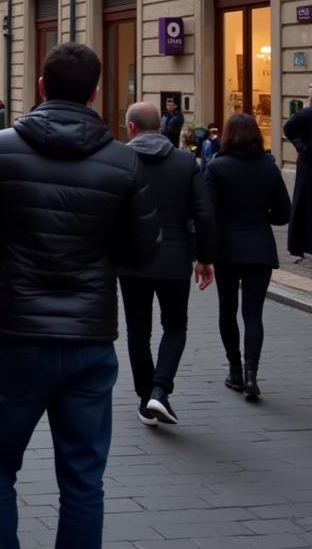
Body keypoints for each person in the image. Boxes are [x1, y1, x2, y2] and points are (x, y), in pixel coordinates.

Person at [0, 42, 157, 549]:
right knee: (83, 480)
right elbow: (141, 253)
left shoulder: (0, 147)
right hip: (89, 338)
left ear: (42, 88)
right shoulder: (123, 162)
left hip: (17, 333)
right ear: (95, 93)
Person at [118, 102, 216, 427]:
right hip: (175, 259)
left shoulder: (120, 161)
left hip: (131, 260)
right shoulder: (185, 161)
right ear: (161, 127)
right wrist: (205, 258)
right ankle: (160, 390)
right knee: (175, 326)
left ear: (131, 128)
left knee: (137, 331)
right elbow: (204, 213)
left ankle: (146, 398)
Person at [204, 112, 291, 400]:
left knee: (227, 311)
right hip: (260, 249)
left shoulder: (217, 168)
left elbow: (208, 213)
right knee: (253, 314)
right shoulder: (269, 168)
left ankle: (235, 372)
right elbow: (283, 214)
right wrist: (260, 217)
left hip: (226, 250)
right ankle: (252, 373)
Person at [283, 83, 312, 261]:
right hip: (308, 164)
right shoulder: (306, 114)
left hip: (307, 161)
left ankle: (300, 243)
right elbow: (289, 129)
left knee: (303, 202)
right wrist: (302, 147)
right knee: (303, 201)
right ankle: (299, 243)